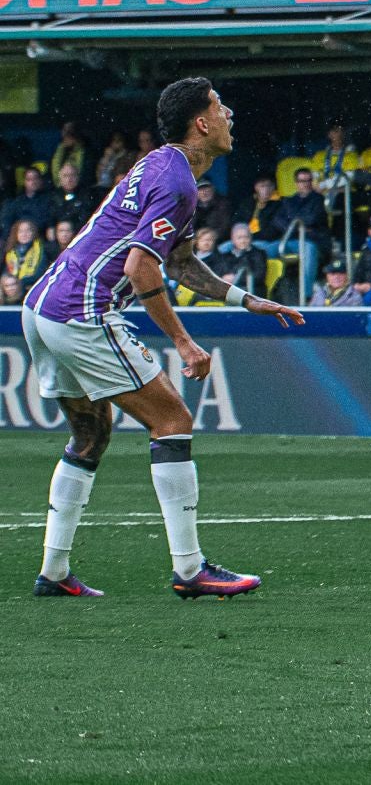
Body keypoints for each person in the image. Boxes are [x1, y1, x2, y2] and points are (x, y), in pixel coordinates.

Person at [24, 79, 303, 599]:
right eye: (220, 107)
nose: (228, 114)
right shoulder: (177, 184)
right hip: (82, 308)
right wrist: (183, 341)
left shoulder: (160, 166)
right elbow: (140, 267)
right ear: (201, 123)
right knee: (172, 419)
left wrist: (247, 299)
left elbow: (178, 261)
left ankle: (54, 573)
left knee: (91, 433)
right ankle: (191, 569)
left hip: (42, 305)